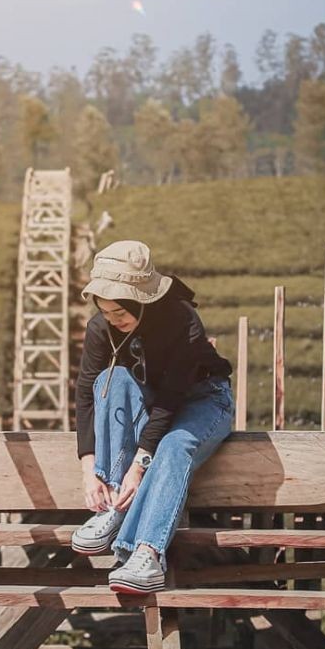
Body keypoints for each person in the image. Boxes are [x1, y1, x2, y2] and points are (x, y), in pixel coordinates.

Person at [72, 239, 234, 592]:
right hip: (151, 403)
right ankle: (112, 505)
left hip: (203, 400)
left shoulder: (181, 319)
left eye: (121, 313)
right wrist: (89, 469)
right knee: (110, 380)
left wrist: (140, 463)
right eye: (106, 312)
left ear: (141, 300)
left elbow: (171, 399)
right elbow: (87, 392)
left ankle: (147, 554)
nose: (114, 321)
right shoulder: (101, 328)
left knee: (174, 448)